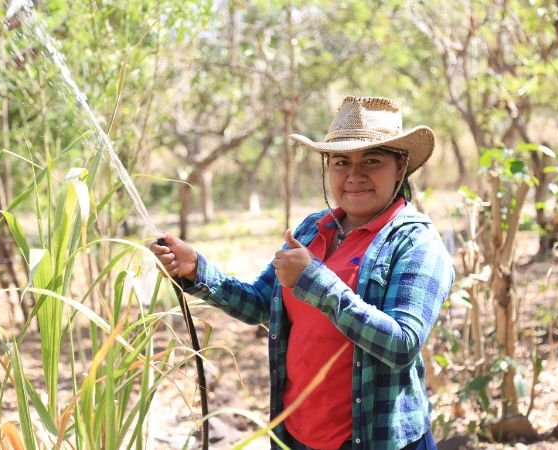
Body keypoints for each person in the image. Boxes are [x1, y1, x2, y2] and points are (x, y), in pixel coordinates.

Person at [150, 96, 455, 450]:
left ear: (400, 168)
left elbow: (402, 343)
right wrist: (195, 269)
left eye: (372, 161)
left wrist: (314, 280)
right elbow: (260, 304)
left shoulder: (416, 242)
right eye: (342, 162)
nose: (355, 175)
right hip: (296, 436)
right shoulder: (313, 229)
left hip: (374, 440)